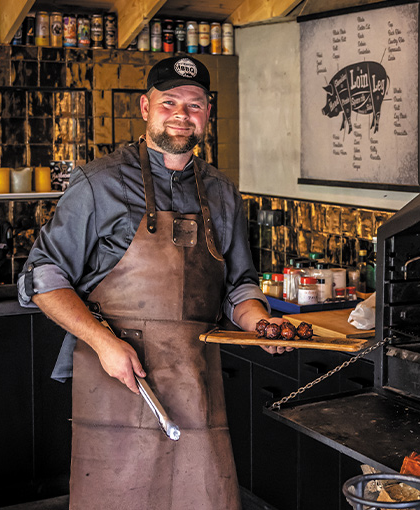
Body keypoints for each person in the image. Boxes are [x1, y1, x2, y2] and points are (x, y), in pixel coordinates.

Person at [17, 55, 285, 509]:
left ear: (207, 114)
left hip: (195, 380)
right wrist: (103, 343)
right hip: (118, 378)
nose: (182, 114)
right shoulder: (97, 183)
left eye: (195, 104)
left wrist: (260, 325)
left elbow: (240, 285)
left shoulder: (221, 191)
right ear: (145, 107)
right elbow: (42, 277)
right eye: (169, 102)